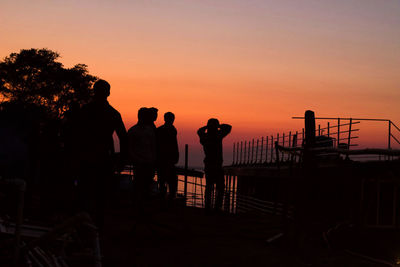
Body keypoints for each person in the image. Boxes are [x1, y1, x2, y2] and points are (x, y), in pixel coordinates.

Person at [75, 79, 127, 229]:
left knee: (87, 192)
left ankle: (86, 223)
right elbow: (123, 138)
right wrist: (122, 159)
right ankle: (95, 224)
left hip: (90, 157)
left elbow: (75, 134)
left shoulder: (85, 110)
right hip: (100, 157)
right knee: (98, 193)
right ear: (108, 93)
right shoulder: (112, 113)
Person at [127, 108, 157, 215]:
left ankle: (143, 208)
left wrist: (153, 160)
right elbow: (129, 148)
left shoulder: (150, 130)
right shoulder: (133, 131)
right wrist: (137, 159)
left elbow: (153, 147)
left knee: (147, 186)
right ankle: (137, 208)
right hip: (139, 163)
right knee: (139, 186)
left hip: (149, 162)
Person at [197, 119, 231, 213]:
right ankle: (217, 206)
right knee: (220, 187)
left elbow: (199, 131)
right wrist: (218, 126)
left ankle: (207, 206)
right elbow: (228, 127)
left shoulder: (205, 136)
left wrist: (207, 127)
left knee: (209, 186)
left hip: (208, 165)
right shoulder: (218, 135)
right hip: (217, 165)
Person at [156, 112, 179, 202]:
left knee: (168, 181)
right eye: (171, 118)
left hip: (169, 159)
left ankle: (168, 198)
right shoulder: (161, 130)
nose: (172, 120)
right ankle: (165, 199)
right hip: (163, 159)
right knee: (164, 181)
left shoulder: (172, 130)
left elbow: (174, 144)